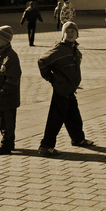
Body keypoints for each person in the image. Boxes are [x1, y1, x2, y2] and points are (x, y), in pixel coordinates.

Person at [36, 21, 94, 156]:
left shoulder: (75, 50)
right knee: (55, 119)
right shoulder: (59, 49)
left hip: (70, 90)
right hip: (61, 90)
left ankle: (78, 139)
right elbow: (42, 61)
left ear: (77, 34)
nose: (70, 34)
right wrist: (52, 79)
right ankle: (46, 146)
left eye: (73, 31)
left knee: (73, 116)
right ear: (63, 34)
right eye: (67, 31)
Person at [0, 26, 21, 155]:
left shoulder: (10, 57)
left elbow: (13, 78)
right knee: (1, 119)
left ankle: (6, 144)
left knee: (7, 120)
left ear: (6, 39)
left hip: (6, 97)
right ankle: (7, 141)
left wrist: (3, 92)